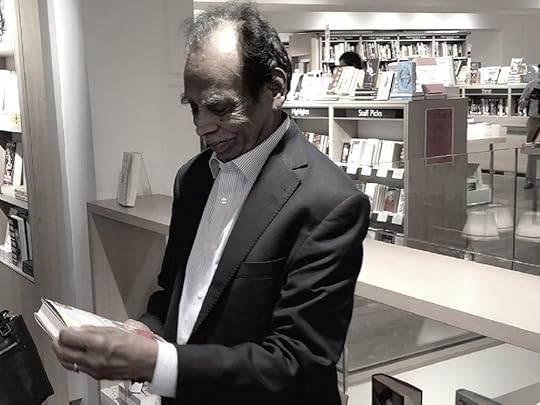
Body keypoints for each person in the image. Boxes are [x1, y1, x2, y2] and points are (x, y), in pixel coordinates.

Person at [53, 3, 370, 405]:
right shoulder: (193, 178)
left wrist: (156, 363)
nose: (202, 126)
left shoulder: (330, 203)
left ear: (275, 88)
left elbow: (298, 364)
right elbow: (176, 293)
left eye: (220, 107)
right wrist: (145, 330)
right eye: (193, 106)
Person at [518, 63, 540, 189]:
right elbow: (521, 103)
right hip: (534, 120)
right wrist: (528, 99)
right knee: (531, 150)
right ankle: (530, 179)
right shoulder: (531, 85)